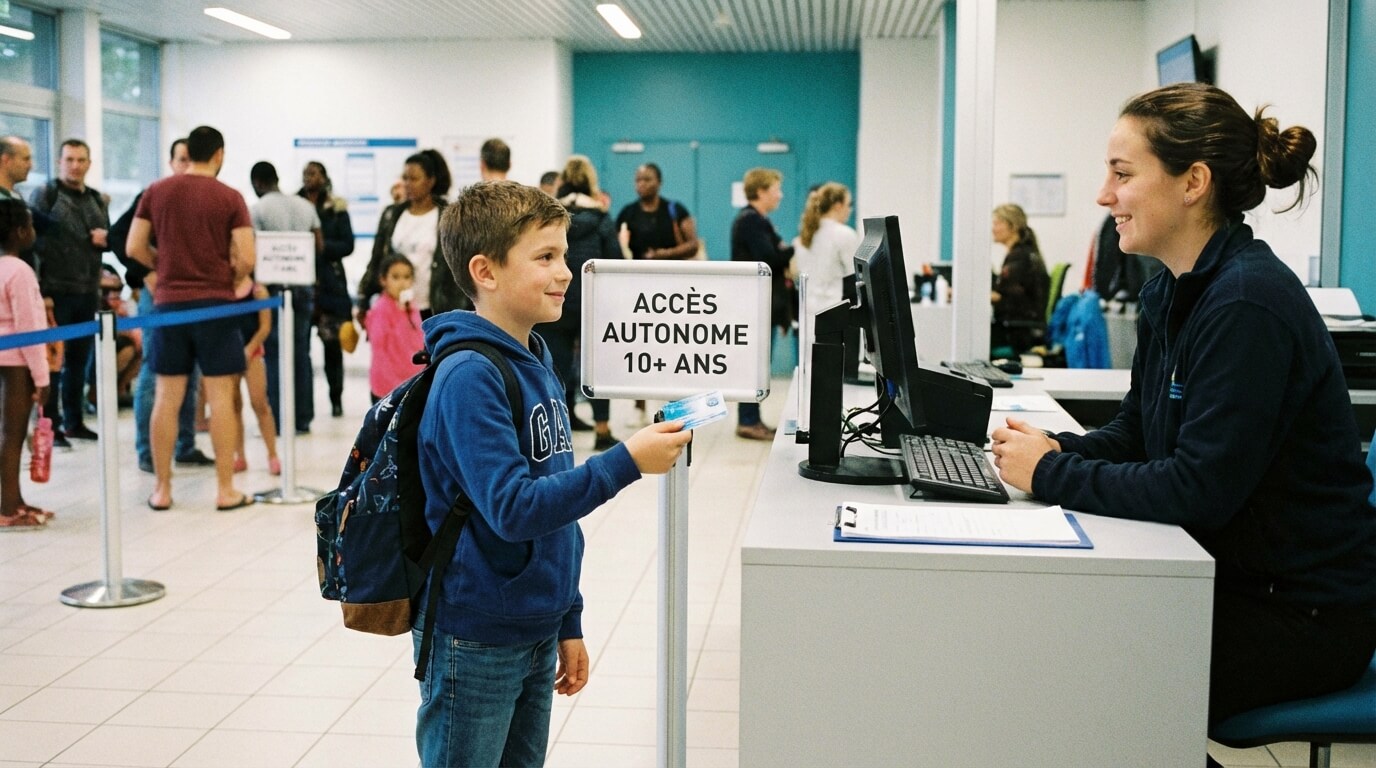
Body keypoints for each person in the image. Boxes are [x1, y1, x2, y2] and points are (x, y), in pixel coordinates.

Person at [989, 83, 1376, 757]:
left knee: (1071, 669)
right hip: (1238, 584)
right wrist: (1058, 448)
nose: (1104, 196)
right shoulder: (1172, 288)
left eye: (1122, 174)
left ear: (1193, 182)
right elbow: (1139, 433)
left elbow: (1200, 489)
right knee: (1049, 644)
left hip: (1301, 618)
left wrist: (1051, 473)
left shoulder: (1246, 305)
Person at [415, 179, 692, 767]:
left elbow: (557, 514)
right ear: (485, 272)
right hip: (476, 633)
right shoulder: (469, 375)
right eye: (545, 258)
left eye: (563, 254)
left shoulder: (536, 357)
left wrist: (568, 616)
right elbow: (515, 509)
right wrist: (625, 463)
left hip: (535, 623)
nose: (565, 272)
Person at [127, 125, 256, 512]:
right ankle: (225, 489)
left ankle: (162, 490)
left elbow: (134, 246)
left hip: (168, 306)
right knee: (219, 397)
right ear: (219, 154)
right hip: (215, 306)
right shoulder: (230, 197)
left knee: (166, 397)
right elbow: (247, 258)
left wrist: (164, 269)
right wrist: (227, 278)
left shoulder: (156, 191)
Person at [109, 138, 213, 474]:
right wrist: (146, 272)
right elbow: (118, 237)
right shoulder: (155, 194)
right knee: (155, 373)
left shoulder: (203, 197)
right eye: (180, 159)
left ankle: (184, 444)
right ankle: (148, 451)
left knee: (192, 373)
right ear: (171, 163)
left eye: (190, 158)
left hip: (194, 298)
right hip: (161, 297)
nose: (186, 166)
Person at [30, 138, 109, 445]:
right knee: (52, 362)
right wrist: (41, 290)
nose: (75, 165)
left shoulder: (96, 200)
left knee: (79, 359)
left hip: (87, 289)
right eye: (69, 159)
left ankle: (75, 421)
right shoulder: (45, 194)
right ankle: (51, 424)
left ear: (89, 163)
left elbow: (107, 237)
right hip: (55, 290)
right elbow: (32, 243)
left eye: (81, 160)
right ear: (60, 162)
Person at [540, 155, 619, 450]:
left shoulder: (550, 219)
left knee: (556, 366)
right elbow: (615, 261)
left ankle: (559, 429)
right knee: (597, 367)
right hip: (592, 303)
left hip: (555, 299)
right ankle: (602, 430)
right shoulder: (601, 218)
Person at [614, 162, 701, 425]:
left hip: (674, 289)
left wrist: (663, 255)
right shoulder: (628, 212)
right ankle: (639, 405)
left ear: (659, 182)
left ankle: (676, 406)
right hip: (640, 290)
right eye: (638, 179)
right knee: (641, 346)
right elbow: (618, 247)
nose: (642, 184)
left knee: (676, 345)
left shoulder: (675, 209)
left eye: (647, 179)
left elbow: (693, 245)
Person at [250, 160, 322, 434]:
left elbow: (252, 249)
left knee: (275, 355)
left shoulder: (258, 209)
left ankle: (280, 418)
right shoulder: (305, 206)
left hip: (273, 291)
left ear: (258, 183)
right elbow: (320, 244)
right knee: (301, 352)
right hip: (303, 286)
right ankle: (303, 418)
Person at [358, 149, 465, 322]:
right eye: (405, 178)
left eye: (414, 179)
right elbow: (377, 259)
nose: (408, 184)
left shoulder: (447, 216)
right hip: (395, 308)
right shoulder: (391, 215)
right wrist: (364, 300)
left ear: (430, 181)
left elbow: (458, 266)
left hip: (432, 308)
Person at [730, 167, 793, 440]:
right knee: (753, 365)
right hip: (752, 302)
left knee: (758, 364)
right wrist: (794, 248)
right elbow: (769, 257)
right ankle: (748, 420)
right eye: (776, 189)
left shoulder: (758, 221)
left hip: (758, 302)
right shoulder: (750, 221)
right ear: (761, 191)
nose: (780, 195)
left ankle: (752, 417)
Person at [0, 200, 51, 529]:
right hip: (14, 363)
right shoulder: (19, 271)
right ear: (21, 232)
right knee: (13, 436)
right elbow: (30, 327)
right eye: (31, 225)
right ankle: (7, 508)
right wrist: (42, 377)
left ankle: (14, 499)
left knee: (4, 435)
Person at [299, 161, 355, 418]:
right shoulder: (296, 203)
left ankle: (336, 399)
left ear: (324, 176)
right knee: (300, 347)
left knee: (332, 346)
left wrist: (323, 247)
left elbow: (348, 244)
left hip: (330, 285)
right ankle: (303, 405)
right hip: (302, 282)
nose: (309, 177)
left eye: (314, 173)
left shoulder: (336, 206)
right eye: (306, 173)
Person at [793, 182, 857, 337]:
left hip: (807, 312)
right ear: (837, 205)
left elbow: (796, 275)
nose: (849, 210)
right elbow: (856, 275)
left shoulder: (802, 237)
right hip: (834, 312)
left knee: (808, 360)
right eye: (848, 205)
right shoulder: (844, 234)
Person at [229, 276, 278, 476]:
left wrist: (249, 349)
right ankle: (239, 454)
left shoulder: (258, 290)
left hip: (253, 350)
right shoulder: (222, 289)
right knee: (233, 405)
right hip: (229, 351)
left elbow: (265, 326)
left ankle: (272, 454)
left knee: (260, 403)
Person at [989, 202, 1050, 354]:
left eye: (997, 223)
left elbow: (1004, 297)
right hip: (1018, 328)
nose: (993, 229)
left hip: (1017, 334)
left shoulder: (1020, 258)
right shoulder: (1022, 254)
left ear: (1012, 226)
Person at [363, 253, 424, 401]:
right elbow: (378, 343)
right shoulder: (381, 309)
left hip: (411, 383)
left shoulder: (413, 307)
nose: (402, 283)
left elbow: (419, 340)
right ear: (383, 280)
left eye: (407, 277)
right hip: (387, 388)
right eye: (395, 277)